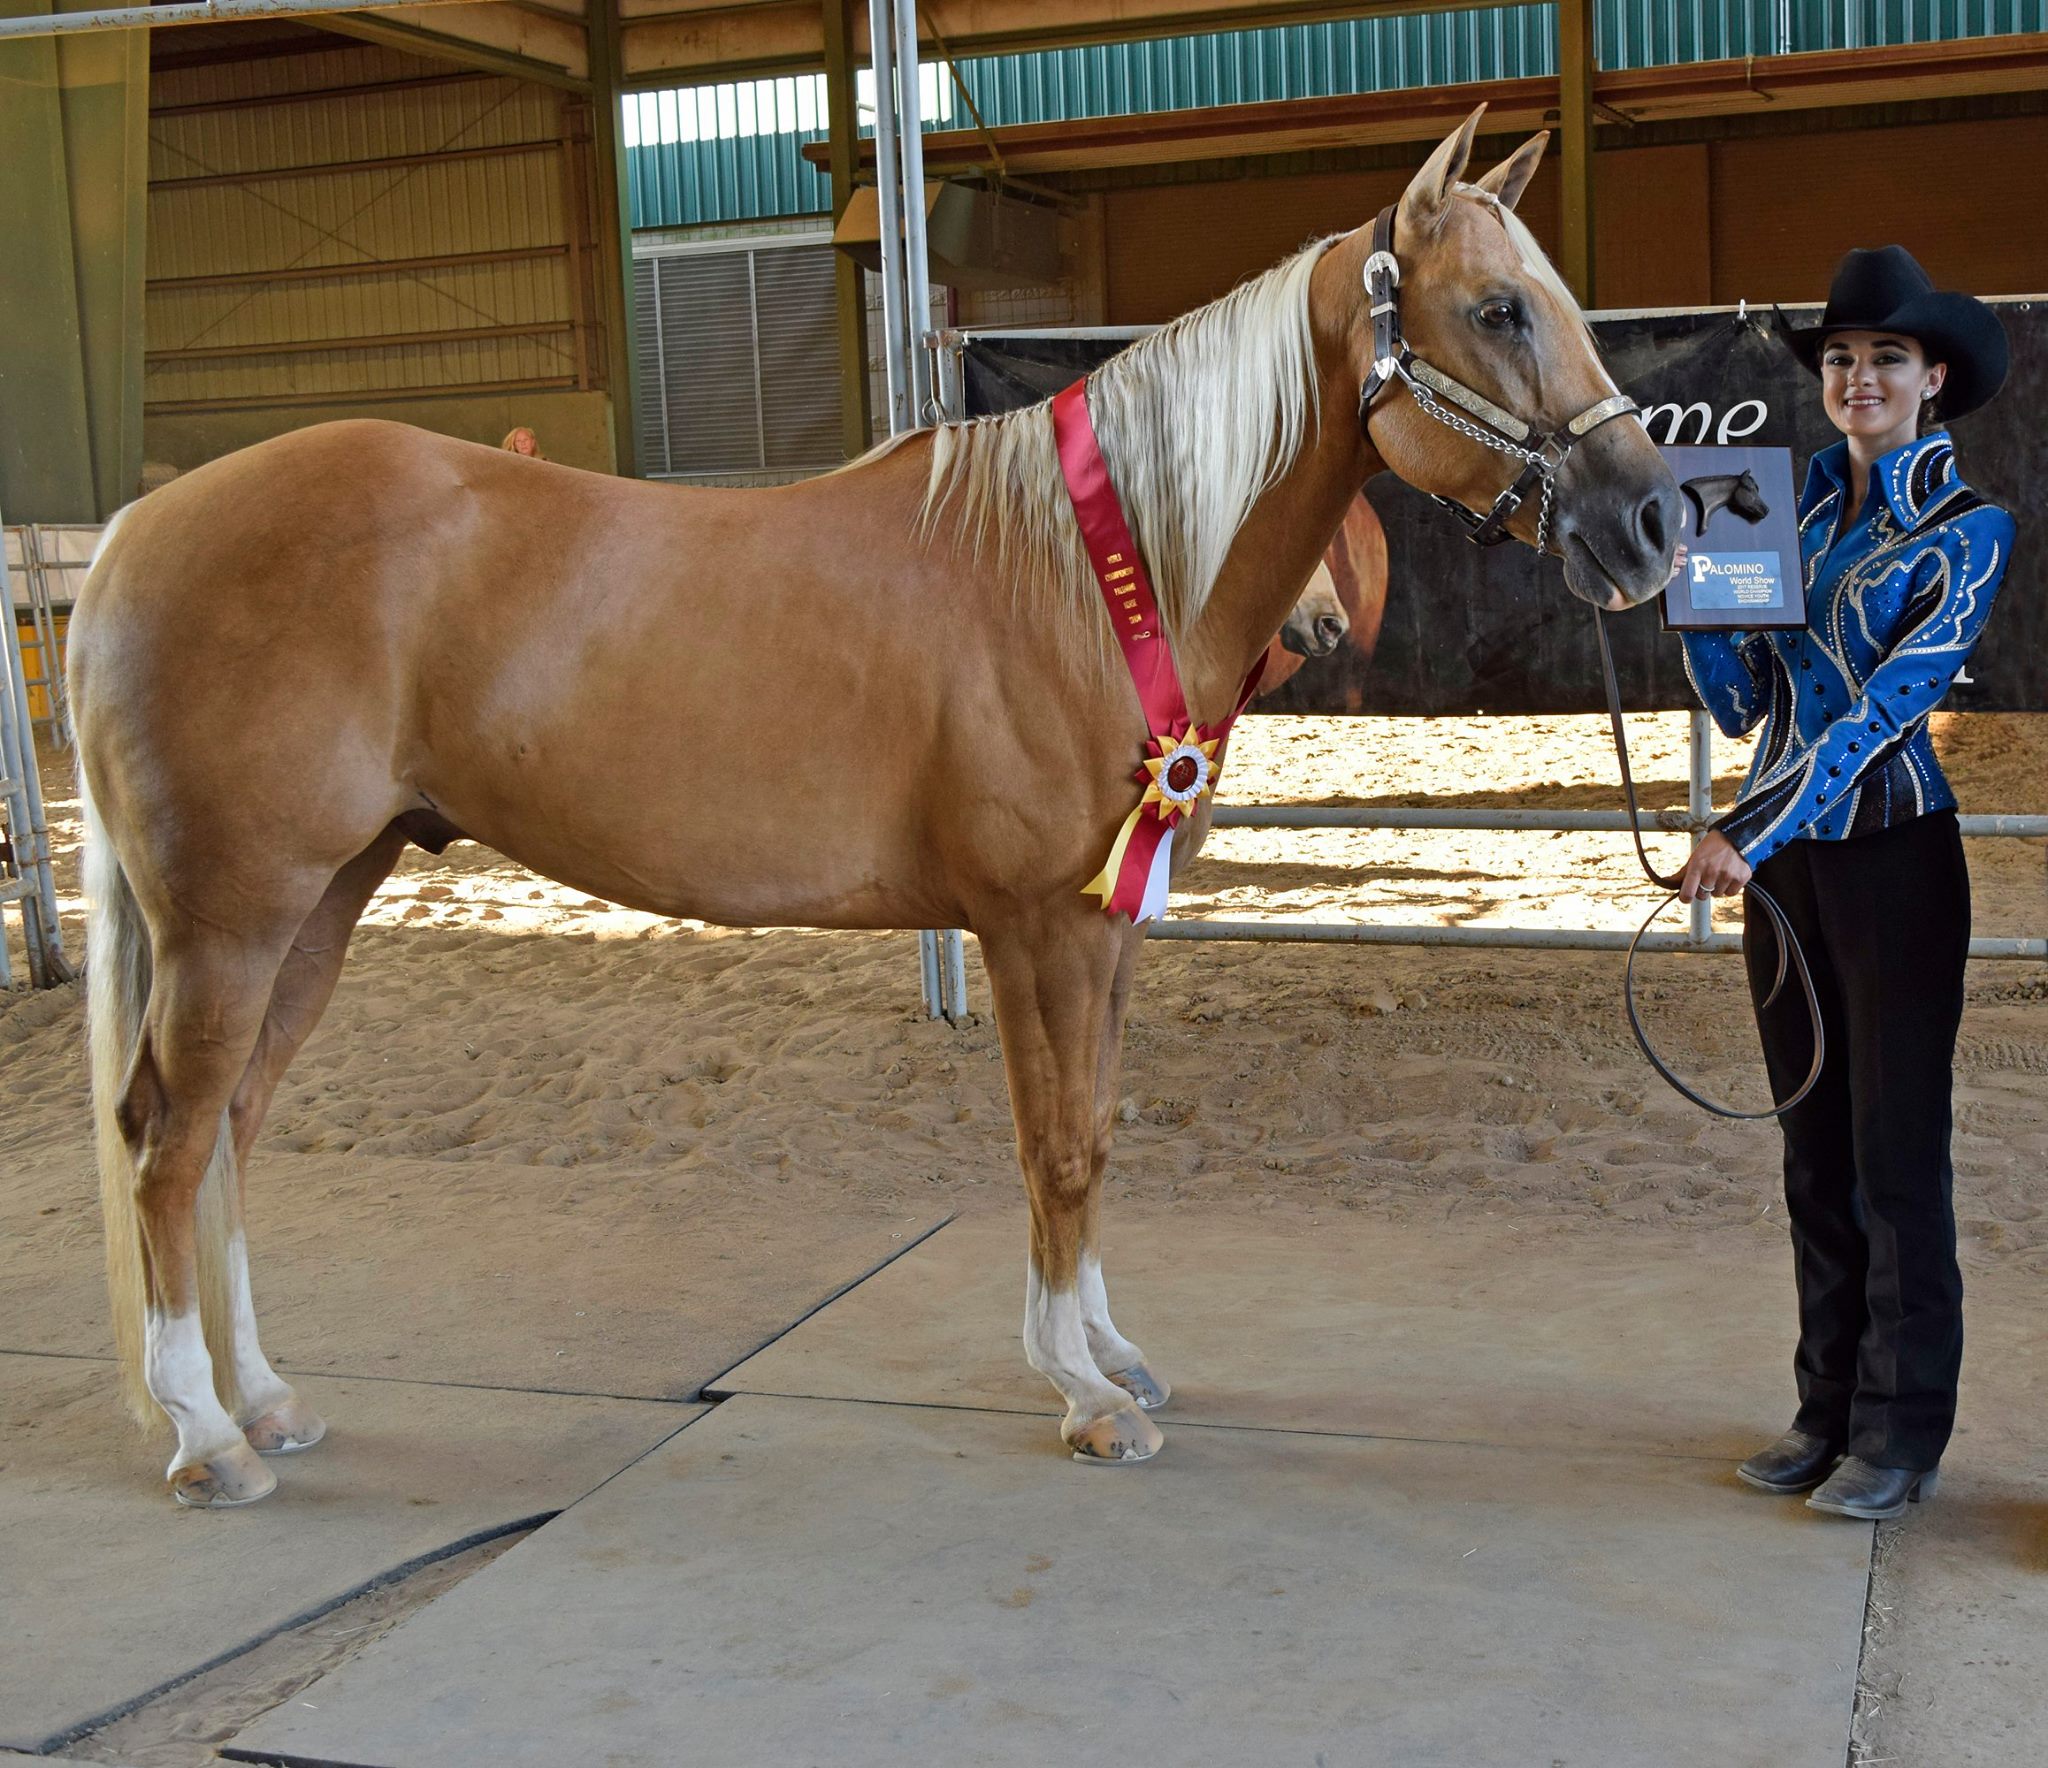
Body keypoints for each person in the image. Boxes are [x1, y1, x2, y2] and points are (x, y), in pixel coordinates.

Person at [1676, 246, 2014, 1522]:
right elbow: (1744, 701)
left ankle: (1900, 1430)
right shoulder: (1768, 510)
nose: (1856, 377)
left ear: (1932, 377)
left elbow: (1882, 712)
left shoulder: (1965, 530)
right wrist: (1693, 601)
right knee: (1811, 1150)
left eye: (1882, 358)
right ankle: (1824, 1409)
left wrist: (1744, 828)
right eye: (1837, 359)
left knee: (1892, 1155)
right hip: (1782, 865)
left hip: (1887, 859)